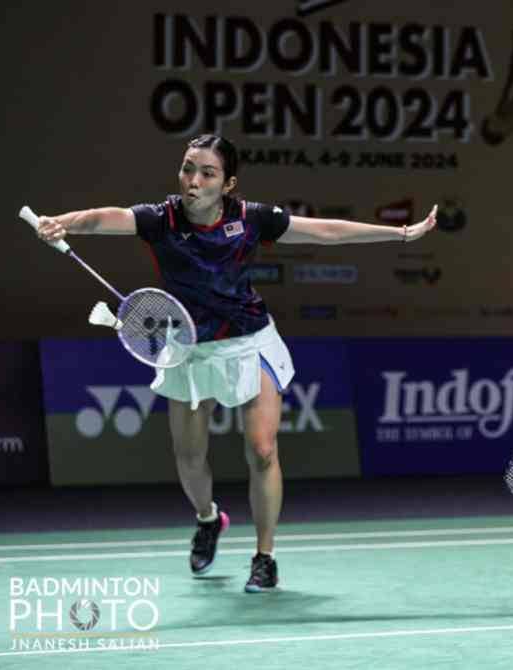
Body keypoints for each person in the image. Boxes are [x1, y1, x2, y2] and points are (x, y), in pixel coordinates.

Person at [35, 134, 438, 593]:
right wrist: (60, 222)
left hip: (249, 341)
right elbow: (107, 218)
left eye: (206, 173)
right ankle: (209, 518)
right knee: (189, 456)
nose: (193, 180)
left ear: (228, 183)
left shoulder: (252, 219)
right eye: (188, 168)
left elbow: (324, 231)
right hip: (187, 347)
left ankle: (265, 557)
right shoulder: (160, 219)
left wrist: (401, 234)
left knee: (263, 449)